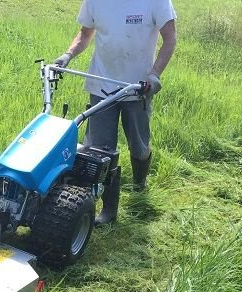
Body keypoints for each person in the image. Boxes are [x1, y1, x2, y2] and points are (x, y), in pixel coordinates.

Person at [54, 0, 177, 225]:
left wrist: (155, 74)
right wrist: (67, 55)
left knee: (139, 147)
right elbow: (84, 34)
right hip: (102, 85)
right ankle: (109, 211)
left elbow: (170, 39)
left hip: (138, 88)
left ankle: (139, 185)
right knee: (101, 151)